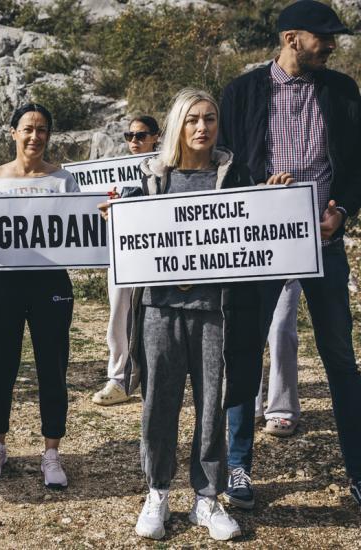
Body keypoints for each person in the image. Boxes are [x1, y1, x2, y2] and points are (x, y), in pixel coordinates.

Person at [102, 88, 284, 541]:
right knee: (158, 405)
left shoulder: (235, 175)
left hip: (216, 312)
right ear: (178, 125)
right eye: (192, 120)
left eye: (210, 119)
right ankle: (158, 492)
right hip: (161, 312)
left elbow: (257, 225)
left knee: (212, 406)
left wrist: (275, 199)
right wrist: (113, 217)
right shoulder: (149, 180)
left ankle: (207, 497)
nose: (202, 128)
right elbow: (127, 235)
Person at [218, 0, 361, 510]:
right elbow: (224, 166)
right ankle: (236, 467)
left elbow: (356, 166)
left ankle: (359, 472)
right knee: (243, 351)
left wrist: (341, 210)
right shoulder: (240, 92)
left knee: (340, 359)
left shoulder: (342, 91)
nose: (332, 44)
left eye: (334, 37)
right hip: (258, 244)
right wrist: (256, 194)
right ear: (291, 38)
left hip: (323, 243)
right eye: (323, 37)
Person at [0, 104, 77, 490]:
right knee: (0, 368)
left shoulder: (63, 178)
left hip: (51, 282)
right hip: (3, 283)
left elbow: (78, 227)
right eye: (28, 129)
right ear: (13, 132)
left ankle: (51, 452)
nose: (35, 136)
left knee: (53, 366)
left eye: (43, 130)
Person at [93, 116, 159, 406]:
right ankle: (118, 378)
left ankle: (156, 379)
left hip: (156, 253)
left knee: (158, 317)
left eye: (141, 135)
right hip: (121, 254)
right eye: (129, 135)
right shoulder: (113, 173)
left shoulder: (166, 169)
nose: (134, 141)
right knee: (118, 314)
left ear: (156, 137)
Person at [255, 279, 302, 438]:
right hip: (246, 268)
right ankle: (249, 405)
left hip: (287, 266)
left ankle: (283, 409)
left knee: (281, 332)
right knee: (247, 332)